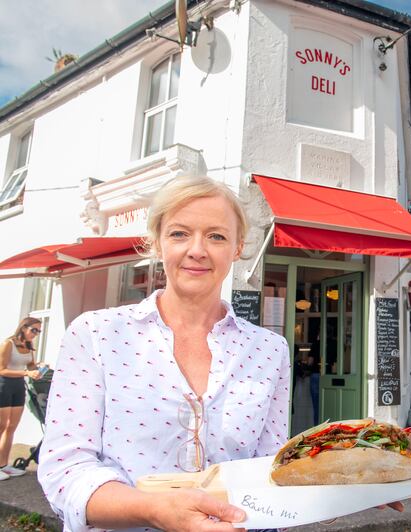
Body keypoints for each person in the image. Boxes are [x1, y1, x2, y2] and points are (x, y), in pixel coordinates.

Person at [38, 176, 291, 531]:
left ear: (237, 248)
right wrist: (153, 510)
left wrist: (353, 484)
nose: (198, 250)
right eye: (179, 233)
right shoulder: (96, 334)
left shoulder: (269, 350)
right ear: (156, 242)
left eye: (216, 236)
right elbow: (65, 470)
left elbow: (268, 471)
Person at [0, 317, 44, 480]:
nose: (36, 334)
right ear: (23, 327)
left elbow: (30, 367)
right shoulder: (8, 344)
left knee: (11, 426)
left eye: (39, 331)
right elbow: (2, 370)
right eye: (33, 330)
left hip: (18, 386)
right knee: (1, 425)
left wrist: (38, 367)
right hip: (4, 385)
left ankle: (3, 465)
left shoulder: (29, 346)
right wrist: (27, 373)